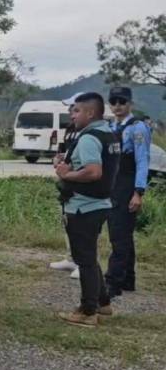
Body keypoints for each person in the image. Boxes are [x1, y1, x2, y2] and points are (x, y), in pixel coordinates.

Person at [55, 92, 120, 327]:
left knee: (85, 261)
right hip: (100, 204)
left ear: (90, 112)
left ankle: (87, 310)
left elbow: (94, 171)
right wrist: (69, 163)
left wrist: (66, 174)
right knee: (89, 257)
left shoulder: (89, 137)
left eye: (77, 111)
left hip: (84, 207)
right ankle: (103, 303)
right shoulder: (108, 134)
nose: (73, 115)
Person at [105, 87, 152, 298]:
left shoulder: (138, 128)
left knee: (119, 235)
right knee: (123, 234)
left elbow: (143, 161)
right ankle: (128, 279)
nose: (117, 106)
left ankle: (112, 283)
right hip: (113, 184)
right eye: (113, 101)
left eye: (121, 102)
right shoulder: (112, 125)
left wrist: (138, 192)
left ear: (130, 103)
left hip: (128, 184)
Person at [49, 93, 83, 276]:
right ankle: (71, 258)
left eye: (74, 107)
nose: (70, 110)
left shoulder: (89, 131)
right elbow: (62, 151)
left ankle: (82, 263)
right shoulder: (70, 128)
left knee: (80, 224)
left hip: (80, 181)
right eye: (70, 107)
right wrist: (58, 158)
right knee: (66, 220)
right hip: (66, 181)